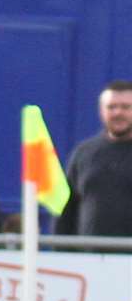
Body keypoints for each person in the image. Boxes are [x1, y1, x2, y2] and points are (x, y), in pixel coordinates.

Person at [56, 80, 132, 237]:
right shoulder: (84, 153)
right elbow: (66, 209)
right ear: (101, 111)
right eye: (111, 107)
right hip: (88, 258)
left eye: (126, 107)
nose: (118, 112)